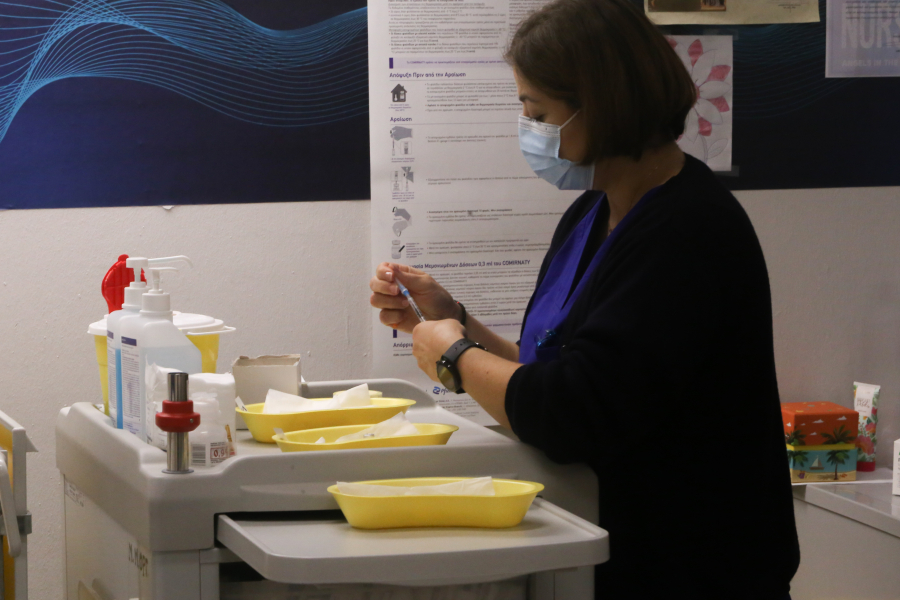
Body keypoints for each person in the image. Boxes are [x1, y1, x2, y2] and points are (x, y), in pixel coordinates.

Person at [370, 0, 799, 598]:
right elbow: (552, 369)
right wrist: (454, 319)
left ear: (599, 105)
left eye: (537, 112)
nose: (528, 127)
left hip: (692, 565)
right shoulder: (593, 212)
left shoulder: (689, 231)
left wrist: (456, 358)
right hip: (607, 547)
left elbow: (574, 414)